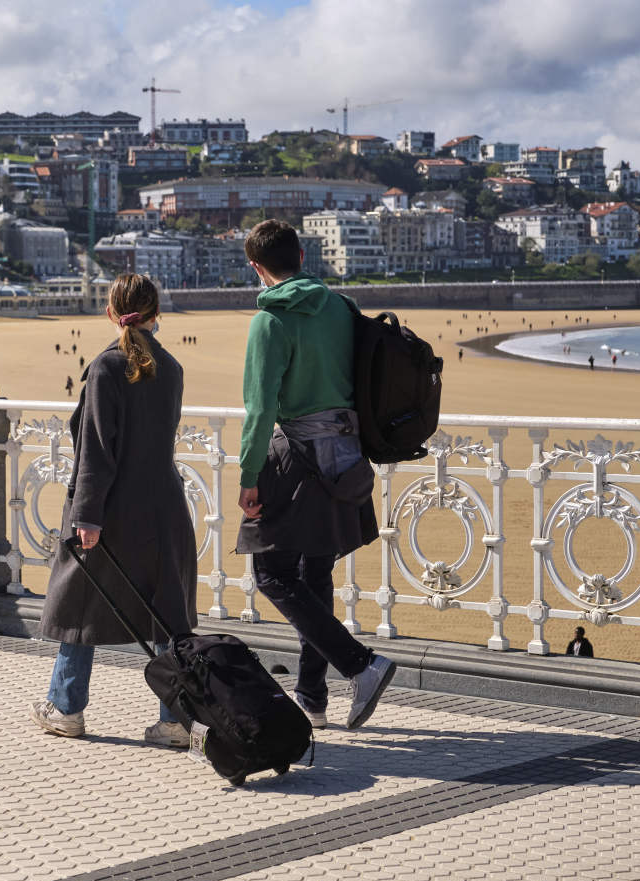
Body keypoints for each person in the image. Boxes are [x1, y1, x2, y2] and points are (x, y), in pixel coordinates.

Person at [235, 219, 395, 731]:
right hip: (346, 455)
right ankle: (311, 696)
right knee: (314, 573)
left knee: (272, 573)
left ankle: (361, 665)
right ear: (303, 257)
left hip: (299, 458)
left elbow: (260, 410)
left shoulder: (270, 320)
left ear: (257, 268)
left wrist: (248, 475)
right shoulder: (340, 308)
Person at [31, 273, 197, 748]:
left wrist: (86, 515)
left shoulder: (106, 368)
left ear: (111, 311)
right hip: (163, 508)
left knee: (79, 604)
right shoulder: (171, 366)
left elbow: (97, 450)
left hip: (112, 509)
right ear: (156, 312)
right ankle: (175, 720)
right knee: (166, 612)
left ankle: (66, 708)